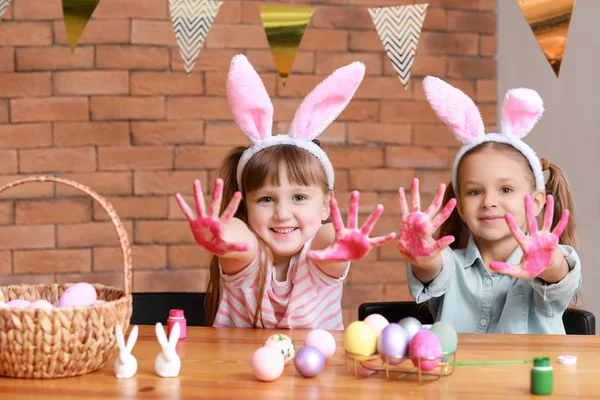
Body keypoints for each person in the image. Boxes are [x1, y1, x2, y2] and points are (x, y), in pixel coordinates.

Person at [176, 55, 396, 329]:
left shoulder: (321, 258)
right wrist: (222, 236)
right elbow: (238, 238)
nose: (282, 213)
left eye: (299, 197)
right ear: (246, 206)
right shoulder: (246, 256)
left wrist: (341, 243)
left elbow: (325, 239)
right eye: (266, 199)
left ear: (326, 205)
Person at [397, 76, 582, 334]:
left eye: (506, 189)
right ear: (460, 207)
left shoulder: (548, 259)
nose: (489, 202)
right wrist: (423, 256)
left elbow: (558, 274)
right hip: (459, 376)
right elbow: (431, 268)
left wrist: (550, 263)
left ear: (537, 201)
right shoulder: (449, 264)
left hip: (532, 376)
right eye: (474, 192)